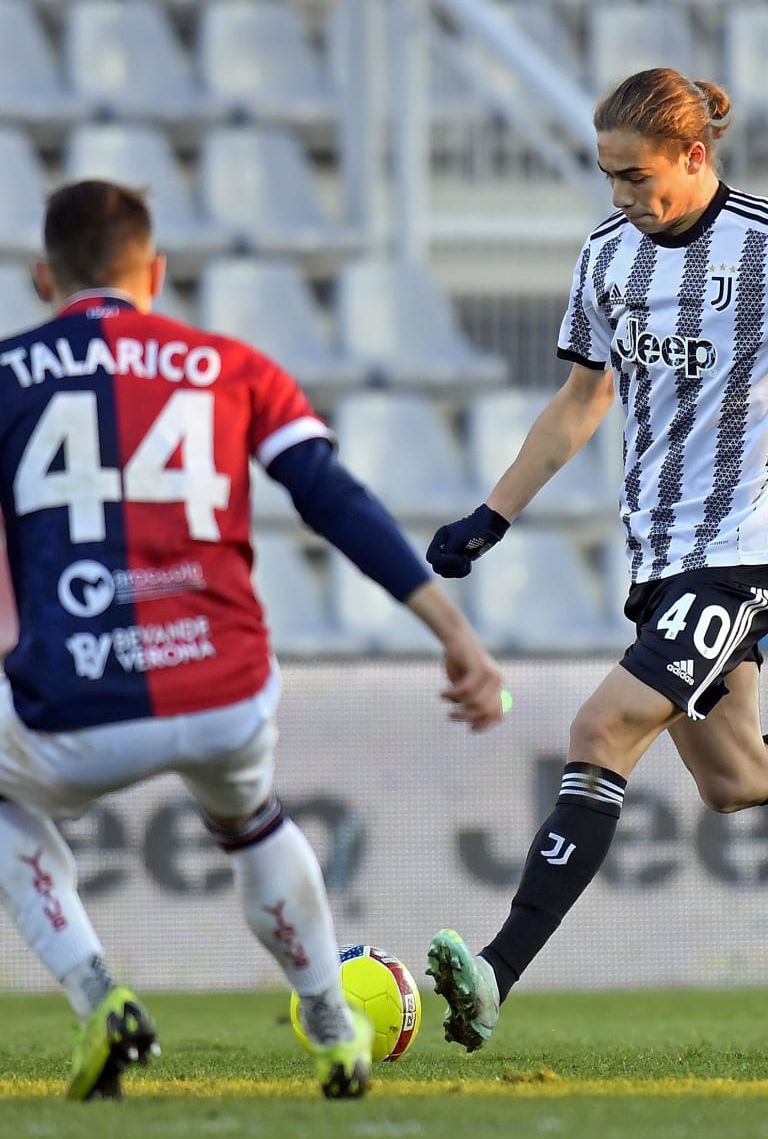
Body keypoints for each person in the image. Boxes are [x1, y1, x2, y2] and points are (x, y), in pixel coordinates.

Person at [0, 179, 504, 1100]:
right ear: (154, 272)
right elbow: (331, 497)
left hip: (73, 693)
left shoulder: (5, 375)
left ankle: (96, 994)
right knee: (246, 818)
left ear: (43, 278)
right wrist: (451, 629)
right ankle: (327, 1019)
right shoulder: (230, 365)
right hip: (222, 684)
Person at [423, 66, 768, 1052]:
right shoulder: (609, 257)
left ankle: (495, 972)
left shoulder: (762, 251)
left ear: (694, 158)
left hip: (744, 547)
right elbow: (583, 401)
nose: (620, 196)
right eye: (607, 176)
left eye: (635, 176)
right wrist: (491, 517)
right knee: (735, 781)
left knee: (601, 726)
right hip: (659, 553)